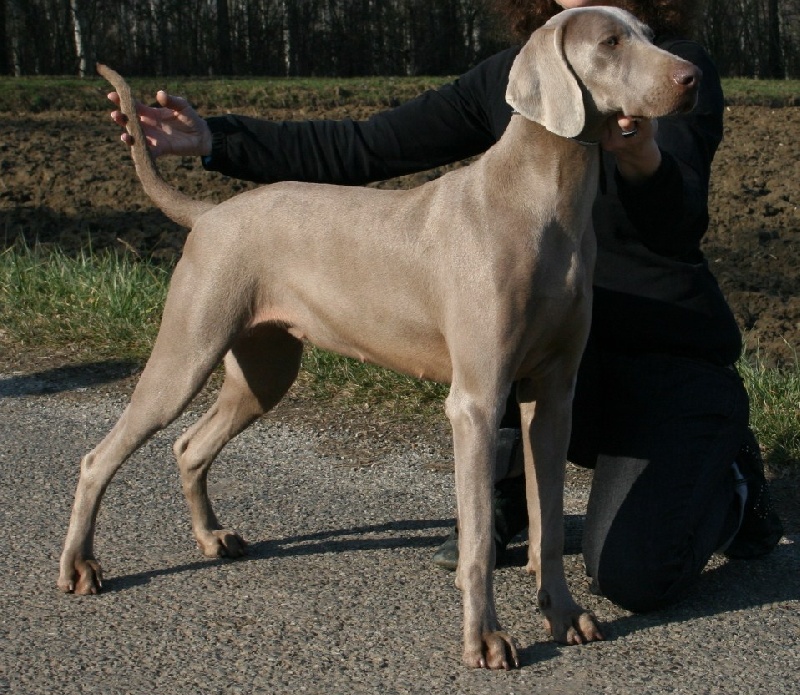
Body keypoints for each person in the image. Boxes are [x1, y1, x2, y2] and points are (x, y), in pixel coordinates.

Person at [110, 0, 783, 613]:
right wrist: (214, 141)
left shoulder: (671, 67)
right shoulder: (512, 78)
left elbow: (679, 220)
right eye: (608, 41)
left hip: (661, 363)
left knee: (634, 575)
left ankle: (730, 481)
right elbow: (366, 147)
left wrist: (639, 152)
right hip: (555, 358)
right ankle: (509, 502)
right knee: (485, 328)